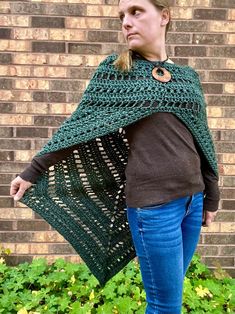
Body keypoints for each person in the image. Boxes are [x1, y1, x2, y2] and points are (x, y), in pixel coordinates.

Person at [10, 0, 219, 312]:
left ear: (164, 16)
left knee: (171, 296)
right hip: (154, 208)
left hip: (192, 202)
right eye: (123, 15)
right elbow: (79, 126)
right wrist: (33, 171)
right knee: (166, 305)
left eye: (136, 11)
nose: (126, 22)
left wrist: (211, 195)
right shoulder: (117, 72)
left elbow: (202, 141)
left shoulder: (187, 77)